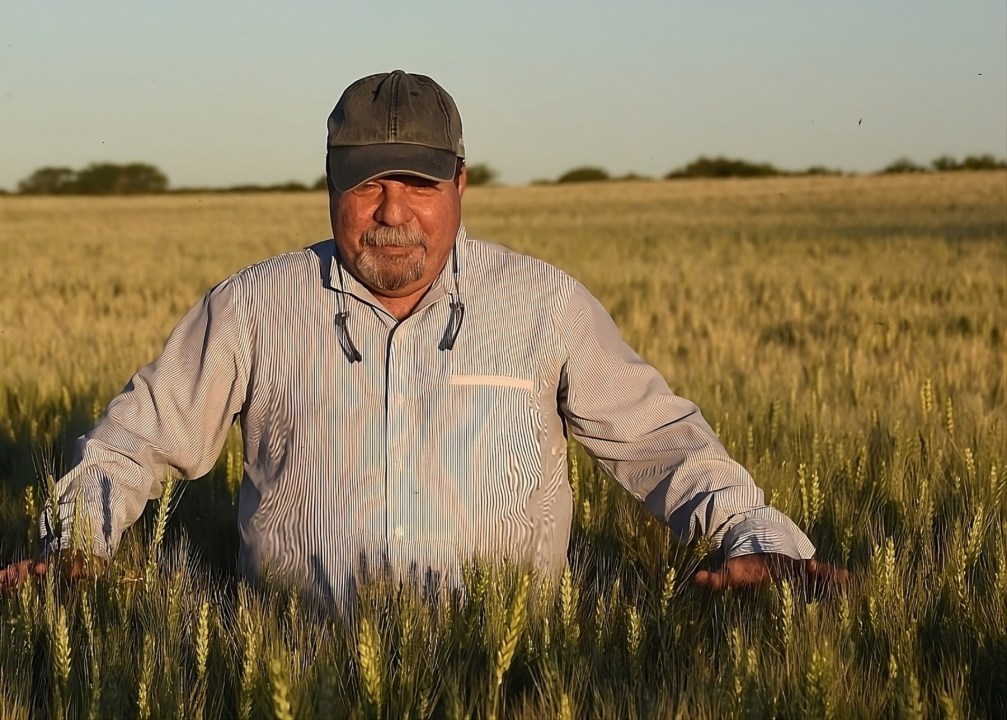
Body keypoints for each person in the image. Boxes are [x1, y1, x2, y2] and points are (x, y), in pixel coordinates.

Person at [0, 70, 846, 605]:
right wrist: (71, 546)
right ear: (330, 184)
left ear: (460, 184)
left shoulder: (544, 305)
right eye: (368, 184)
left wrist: (756, 542)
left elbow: (663, 444)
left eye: (419, 183)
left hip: (507, 679)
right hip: (305, 674)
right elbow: (130, 447)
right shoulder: (253, 308)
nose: (393, 212)